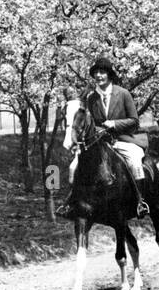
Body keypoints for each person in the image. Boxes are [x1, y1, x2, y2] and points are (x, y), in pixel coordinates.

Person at [56, 57, 150, 218]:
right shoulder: (91, 98)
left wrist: (114, 123)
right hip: (100, 142)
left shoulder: (123, 94)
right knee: (73, 167)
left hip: (125, 139)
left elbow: (134, 121)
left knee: (134, 162)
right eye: (96, 73)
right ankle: (71, 204)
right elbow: (90, 123)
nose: (99, 76)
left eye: (103, 72)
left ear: (109, 75)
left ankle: (140, 203)